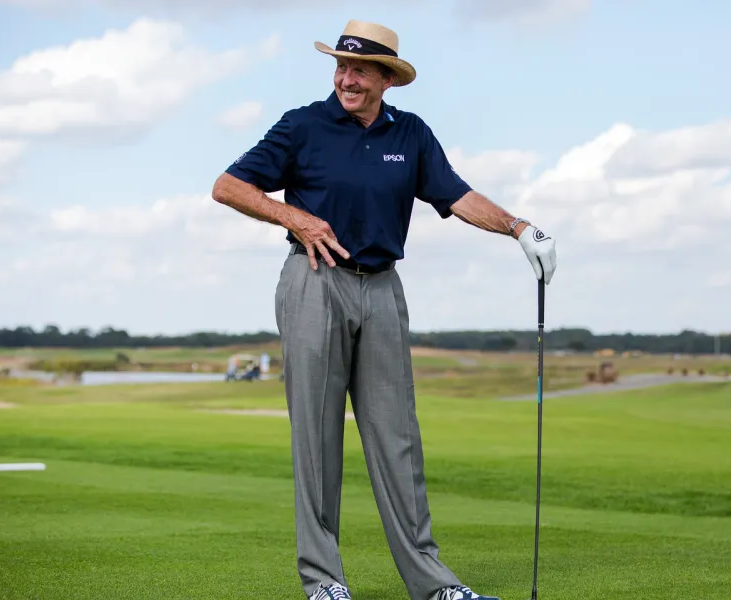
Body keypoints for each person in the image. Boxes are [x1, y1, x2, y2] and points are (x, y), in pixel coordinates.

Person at [211, 19, 557, 600]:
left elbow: (456, 194)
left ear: (386, 78)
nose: (347, 78)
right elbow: (228, 185)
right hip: (314, 281)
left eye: (360, 70)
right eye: (341, 67)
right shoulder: (302, 125)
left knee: (397, 437)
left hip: (383, 288)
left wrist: (518, 227)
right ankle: (323, 582)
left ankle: (433, 584)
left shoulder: (411, 134)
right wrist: (293, 216)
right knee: (317, 439)